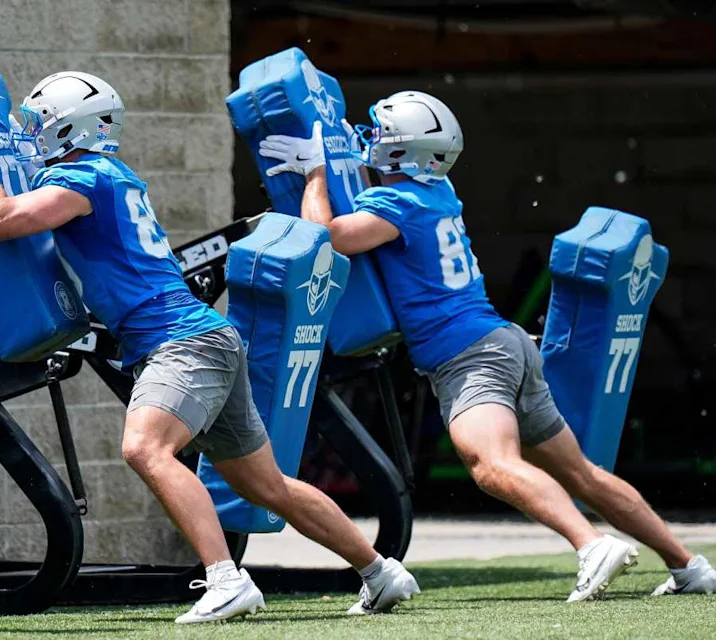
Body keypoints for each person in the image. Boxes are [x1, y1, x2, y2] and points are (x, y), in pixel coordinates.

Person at [0, 70, 420, 622]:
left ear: (69, 129)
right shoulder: (102, 174)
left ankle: (225, 580)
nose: (31, 133)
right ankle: (381, 572)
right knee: (268, 485)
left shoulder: (85, 177)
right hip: (202, 336)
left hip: (181, 342)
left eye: (41, 123)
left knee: (145, 448)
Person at [258, 90, 716, 601]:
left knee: (490, 465)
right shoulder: (436, 190)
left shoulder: (398, 203)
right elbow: (377, 191)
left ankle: (591, 545)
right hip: (505, 344)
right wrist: (338, 158)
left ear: (402, 152)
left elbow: (325, 236)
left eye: (383, 135)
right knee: (581, 473)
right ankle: (688, 565)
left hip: (470, 355)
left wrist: (318, 173)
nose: (372, 141)